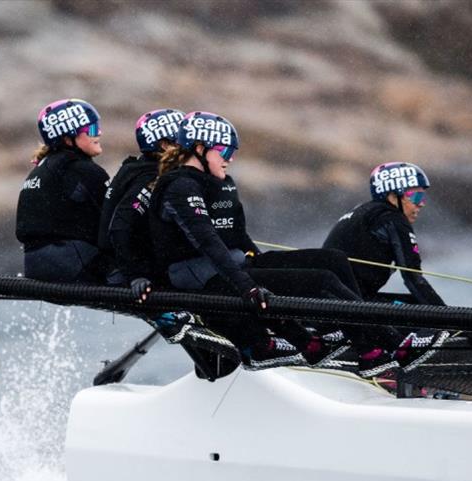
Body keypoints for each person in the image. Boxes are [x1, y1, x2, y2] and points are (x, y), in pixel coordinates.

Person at [149, 111, 406, 371]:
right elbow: (208, 243)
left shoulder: (219, 183)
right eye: (225, 151)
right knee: (322, 282)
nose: (231, 158)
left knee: (332, 261)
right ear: (200, 149)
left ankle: (344, 335)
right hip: (204, 280)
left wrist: (267, 266)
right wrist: (249, 287)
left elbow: (238, 237)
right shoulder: (180, 187)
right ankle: (390, 346)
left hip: (232, 268)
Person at [323, 162, 445, 305]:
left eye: (422, 197)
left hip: (329, 299)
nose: (421, 203)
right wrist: (451, 321)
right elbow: (413, 278)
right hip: (348, 306)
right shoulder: (392, 218)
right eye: (416, 197)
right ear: (393, 197)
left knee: (416, 304)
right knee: (421, 308)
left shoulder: (362, 211)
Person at [16, 99, 110, 283]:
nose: (98, 132)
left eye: (97, 126)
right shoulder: (83, 170)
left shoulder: (40, 169)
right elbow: (116, 221)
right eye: (91, 129)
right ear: (68, 139)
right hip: (73, 266)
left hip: (35, 267)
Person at [98, 108, 185, 297]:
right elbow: (120, 227)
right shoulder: (150, 177)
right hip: (122, 273)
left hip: (120, 265)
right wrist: (135, 275)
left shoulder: (137, 168)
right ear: (164, 145)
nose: (190, 145)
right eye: (183, 140)